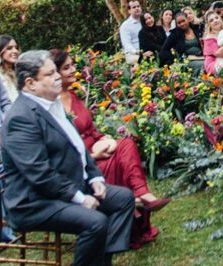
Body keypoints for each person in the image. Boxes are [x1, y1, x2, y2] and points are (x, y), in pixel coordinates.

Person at [1, 52, 140, 266]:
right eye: (51, 74)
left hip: (67, 186)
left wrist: (95, 176)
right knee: (95, 221)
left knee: (122, 199)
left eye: (57, 72)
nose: (58, 78)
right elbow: (39, 174)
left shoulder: (53, 104)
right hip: (33, 201)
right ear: (30, 83)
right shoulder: (22, 117)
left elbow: (78, 148)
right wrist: (79, 197)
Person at [53, 50, 166, 246]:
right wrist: (93, 155)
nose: (73, 70)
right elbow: (60, 148)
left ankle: (141, 193)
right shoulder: (52, 105)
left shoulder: (72, 95)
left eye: (72, 65)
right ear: (54, 73)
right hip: (81, 163)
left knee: (126, 144)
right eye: (67, 67)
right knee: (116, 163)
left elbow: (89, 128)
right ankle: (134, 209)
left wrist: (103, 138)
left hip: (96, 149)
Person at [118, 0, 145, 65]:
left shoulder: (144, 21)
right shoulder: (125, 26)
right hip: (132, 54)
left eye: (138, 6)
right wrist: (137, 52)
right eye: (134, 7)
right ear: (129, 11)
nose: (137, 8)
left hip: (146, 51)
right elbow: (127, 44)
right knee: (144, 60)